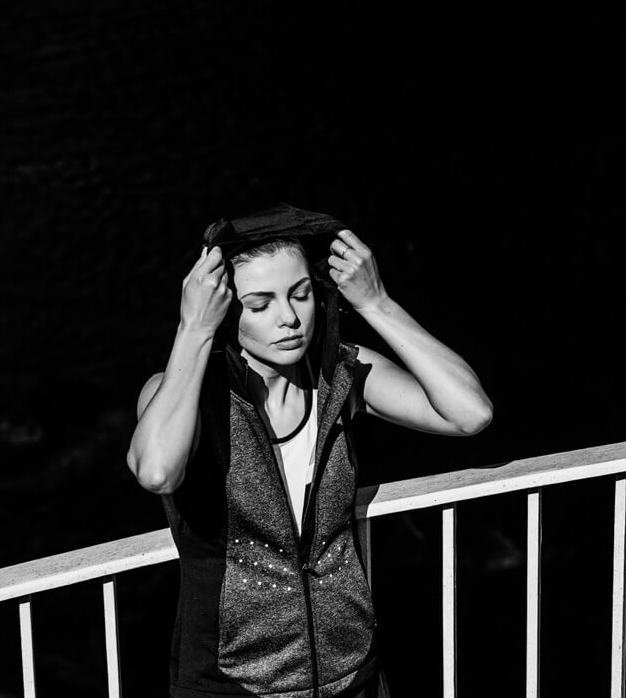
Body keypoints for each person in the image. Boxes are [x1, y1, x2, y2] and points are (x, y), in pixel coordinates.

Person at [126, 204, 492, 698]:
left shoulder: (339, 375)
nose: (290, 318)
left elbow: (470, 413)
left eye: (300, 295)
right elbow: (156, 472)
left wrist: (377, 303)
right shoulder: (184, 394)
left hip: (353, 675)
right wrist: (193, 330)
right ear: (225, 309)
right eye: (260, 305)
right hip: (231, 684)